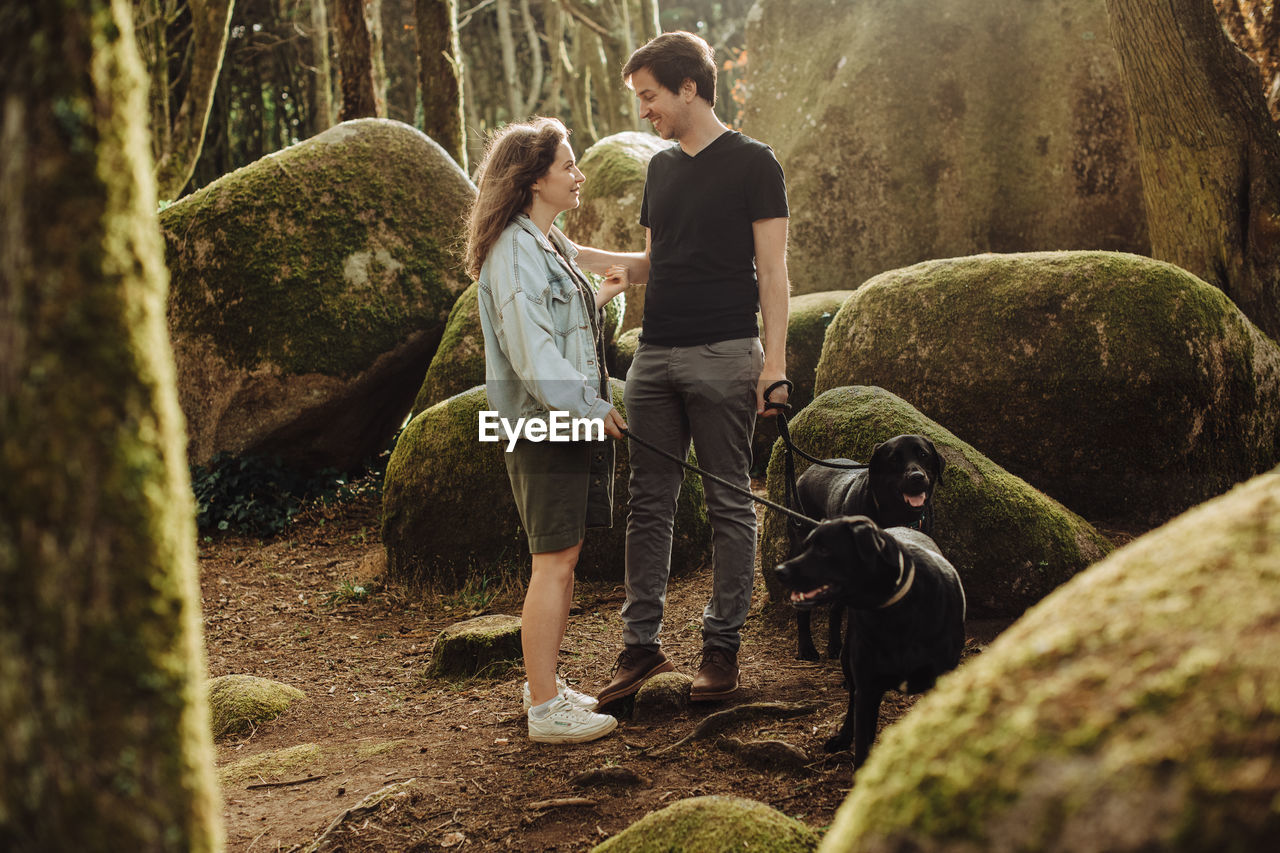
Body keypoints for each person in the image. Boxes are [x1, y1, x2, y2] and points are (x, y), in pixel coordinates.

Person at [574, 31, 791, 705]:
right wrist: (565, 248)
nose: (644, 111)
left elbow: (774, 272)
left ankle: (720, 649)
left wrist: (774, 364)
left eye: (650, 97)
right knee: (648, 503)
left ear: (688, 88)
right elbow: (652, 264)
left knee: (728, 499)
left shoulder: (757, 163)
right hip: (655, 354)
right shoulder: (662, 170)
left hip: (725, 352)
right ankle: (640, 647)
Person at [467, 117, 630, 743]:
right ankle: (543, 708)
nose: (578, 175)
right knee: (552, 562)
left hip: (563, 423)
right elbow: (533, 356)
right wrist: (591, 409)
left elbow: (567, 335)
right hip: (541, 427)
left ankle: (548, 687)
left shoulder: (548, 242)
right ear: (536, 179)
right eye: (568, 166)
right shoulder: (513, 251)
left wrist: (604, 296)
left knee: (563, 557)